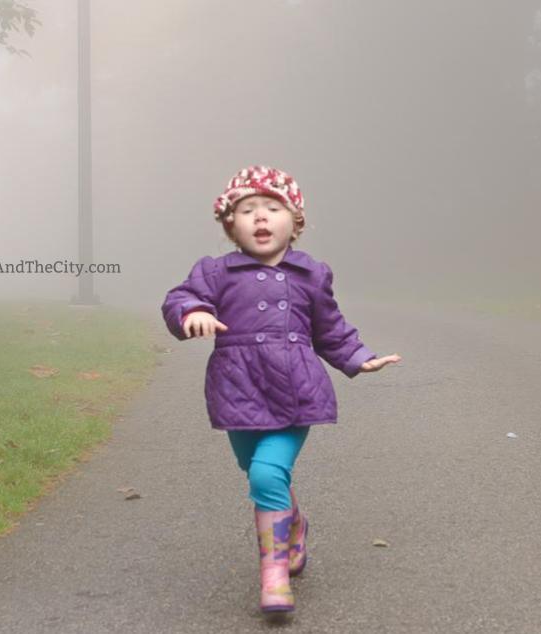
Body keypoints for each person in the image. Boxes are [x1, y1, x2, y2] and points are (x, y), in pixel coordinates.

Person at [160, 165, 402, 615]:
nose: (260, 218)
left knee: (266, 475)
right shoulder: (215, 272)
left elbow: (329, 327)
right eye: (247, 210)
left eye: (273, 208)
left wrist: (358, 357)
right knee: (256, 469)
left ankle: (273, 577)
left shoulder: (311, 273)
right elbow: (179, 298)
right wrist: (191, 311)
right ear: (231, 224)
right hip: (237, 391)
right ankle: (294, 527)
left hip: (296, 393)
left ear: (296, 222)